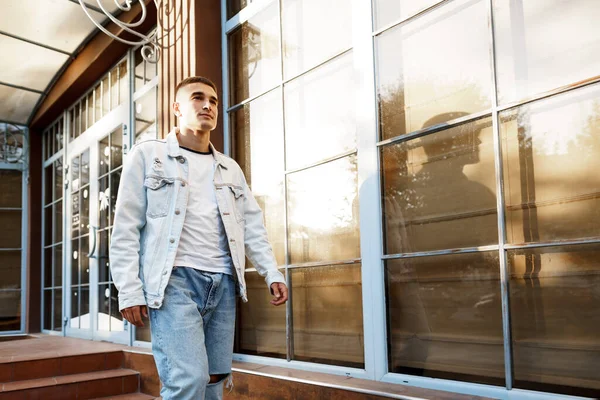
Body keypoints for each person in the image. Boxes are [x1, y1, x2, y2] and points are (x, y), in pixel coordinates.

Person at [109, 76, 288, 400]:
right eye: (198, 98)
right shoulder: (149, 155)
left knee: (214, 382)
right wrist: (129, 290)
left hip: (223, 283)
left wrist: (270, 271)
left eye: (214, 100)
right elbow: (125, 227)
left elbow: (252, 225)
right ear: (176, 107)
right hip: (174, 282)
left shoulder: (229, 169)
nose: (208, 105)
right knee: (187, 382)